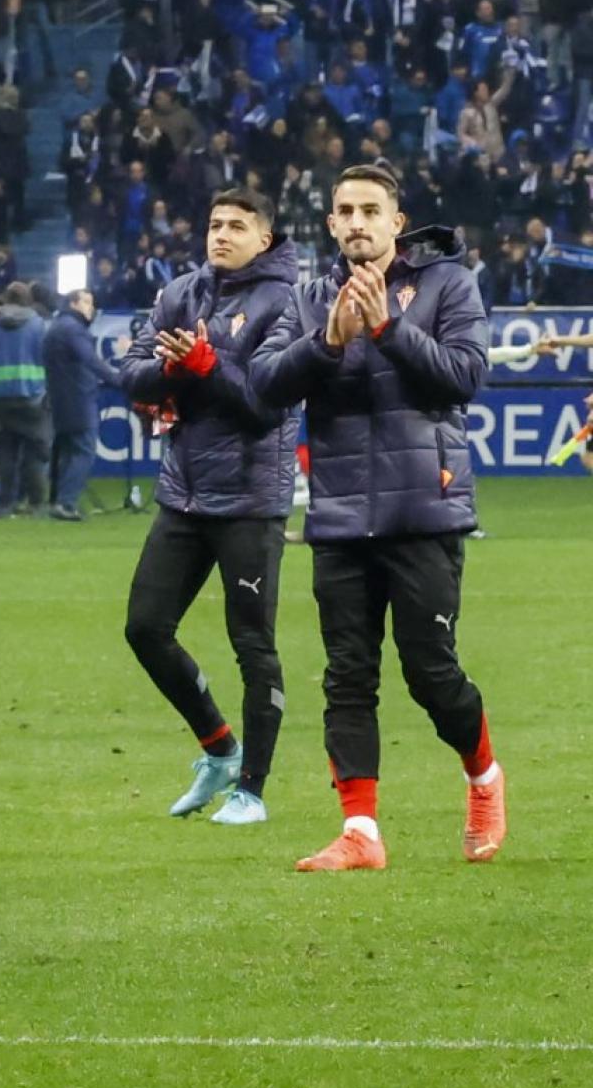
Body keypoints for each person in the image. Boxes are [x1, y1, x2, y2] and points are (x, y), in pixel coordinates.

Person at [250, 163, 505, 871]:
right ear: (330, 224)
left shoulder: (449, 283)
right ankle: (360, 831)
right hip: (339, 515)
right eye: (345, 211)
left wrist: (388, 329)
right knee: (348, 676)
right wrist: (326, 344)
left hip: (424, 507)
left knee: (430, 673)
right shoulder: (308, 297)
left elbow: (465, 376)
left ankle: (482, 774)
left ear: (398, 221)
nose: (357, 222)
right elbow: (265, 386)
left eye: (371, 210)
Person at [119, 188, 300, 825]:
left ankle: (252, 789)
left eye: (237, 226)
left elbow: (265, 404)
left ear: (265, 239)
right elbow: (133, 372)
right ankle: (220, 748)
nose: (220, 235)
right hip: (185, 493)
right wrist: (176, 370)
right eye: (214, 223)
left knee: (253, 643)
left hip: (251, 497)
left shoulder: (287, 302)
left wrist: (205, 363)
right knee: (144, 627)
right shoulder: (181, 292)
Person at [42, 288, 121, 520]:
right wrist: (120, 379)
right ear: (74, 304)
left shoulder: (56, 327)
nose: (91, 308)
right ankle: (66, 503)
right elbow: (91, 360)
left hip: (59, 399)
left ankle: (56, 501)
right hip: (78, 398)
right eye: (87, 302)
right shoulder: (73, 330)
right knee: (83, 450)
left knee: (65, 452)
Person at [0, 282, 49, 516]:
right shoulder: (39, 326)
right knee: (33, 454)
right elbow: (46, 358)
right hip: (33, 397)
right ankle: (36, 504)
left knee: (5, 455)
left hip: (0, 399)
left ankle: (5, 505)